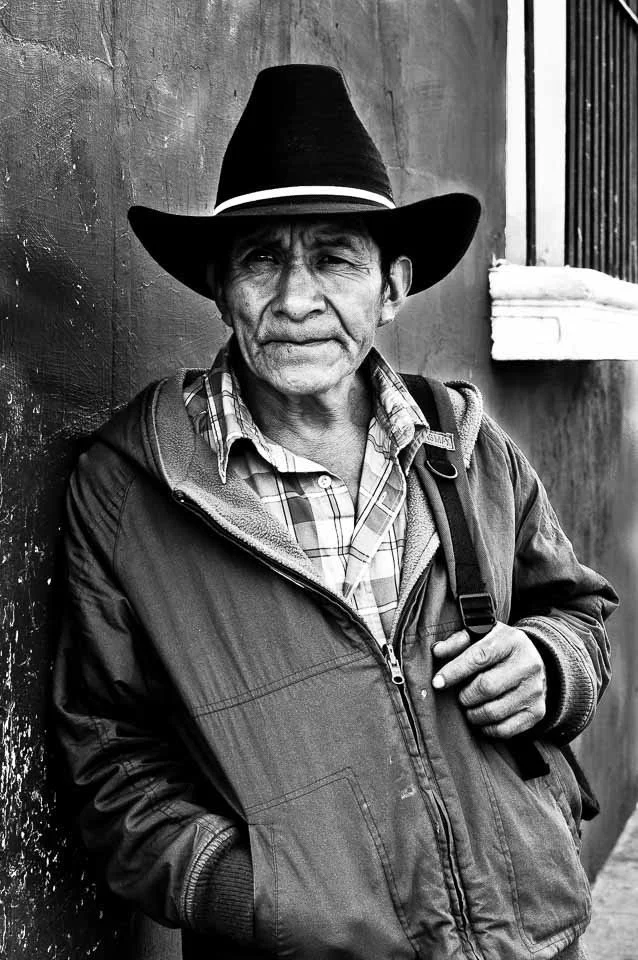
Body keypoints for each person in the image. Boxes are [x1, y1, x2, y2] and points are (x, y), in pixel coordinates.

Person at [54, 64, 617, 960]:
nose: (296, 301)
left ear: (391, 290)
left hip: (525, 938)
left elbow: (578, 612)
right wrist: (267, 894)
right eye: (262, 258)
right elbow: (109, 763)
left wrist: (552, 667)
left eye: (334, 258)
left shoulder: (466, 445)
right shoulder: (131, 489)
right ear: (219, 286)